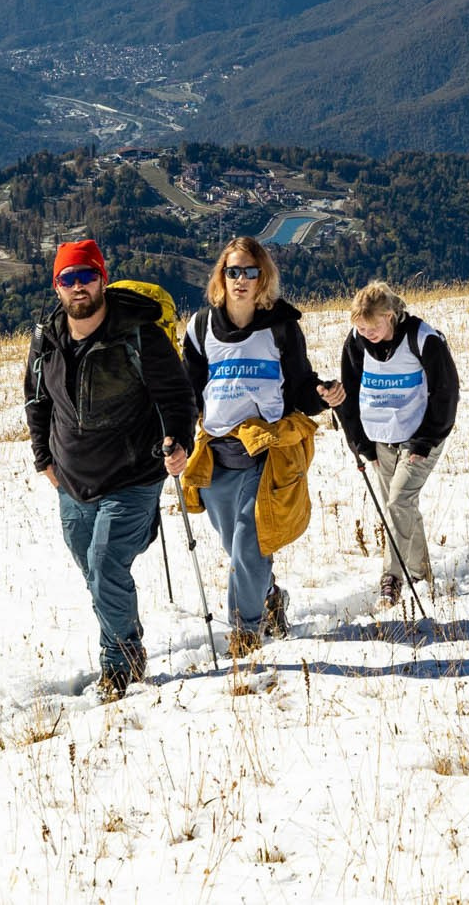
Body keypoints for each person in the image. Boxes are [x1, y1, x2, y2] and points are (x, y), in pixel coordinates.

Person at [23, 239, 197, 701]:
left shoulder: (140, 334)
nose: (78, 286)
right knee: (95, 572)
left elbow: (177, 397)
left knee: (104, 565)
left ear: (103, 279)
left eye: (87, 276)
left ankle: (120, 662)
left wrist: (180, 440)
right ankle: (127, 635)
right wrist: (43, 458)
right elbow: (36, 401)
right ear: (57, 286)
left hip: (133, 475)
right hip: (72, 479)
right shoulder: (46, 339)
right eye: (68, 278)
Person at [179, 237, 344, 657]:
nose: (241, 279)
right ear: (222, 276)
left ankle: (246, 634)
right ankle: (270, 595)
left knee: (248, 548)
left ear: (262, 277)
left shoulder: (281, 327)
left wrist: (322, 394)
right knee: (235, 550)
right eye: (233, 271)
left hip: (266, 452)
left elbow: (300, 385)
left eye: (250, 272)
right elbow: (188, 392)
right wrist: (173, 436)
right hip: (217, 455)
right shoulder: (200, 327)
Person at [336, 282, 459, 608]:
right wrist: (360, 443)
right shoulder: (356, 342)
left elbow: (446, 393)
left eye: (372, 327)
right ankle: (421, 575)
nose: (367, 334)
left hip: (420, 436)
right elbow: (348, 394)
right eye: (361, 328)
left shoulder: (424, 339)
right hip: (380, 437)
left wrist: (425, 441)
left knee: (399, 501)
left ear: (389, 315)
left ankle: (391, 580)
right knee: (401, 506)